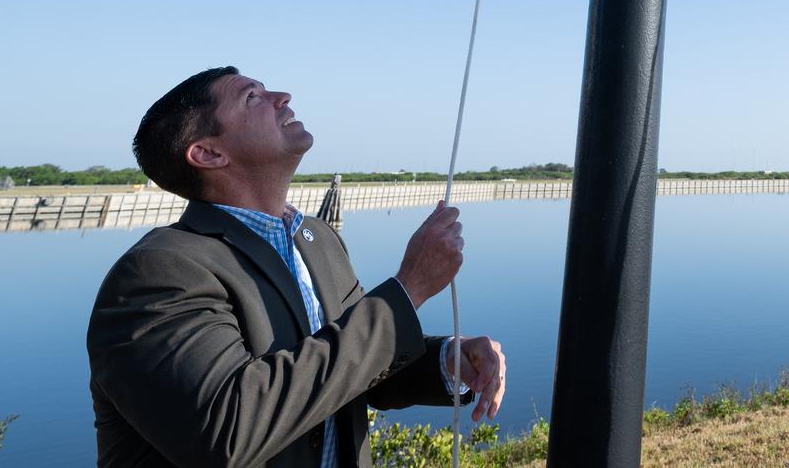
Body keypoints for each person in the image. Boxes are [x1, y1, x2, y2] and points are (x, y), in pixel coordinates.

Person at [87, 66, 505, 467]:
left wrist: (447, 360)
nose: (281, 97)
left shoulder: (318, 240)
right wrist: (408, 289)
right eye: (252, 97)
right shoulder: (158, 273)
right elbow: (226, 431)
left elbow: (352, 366)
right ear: (208, 153)